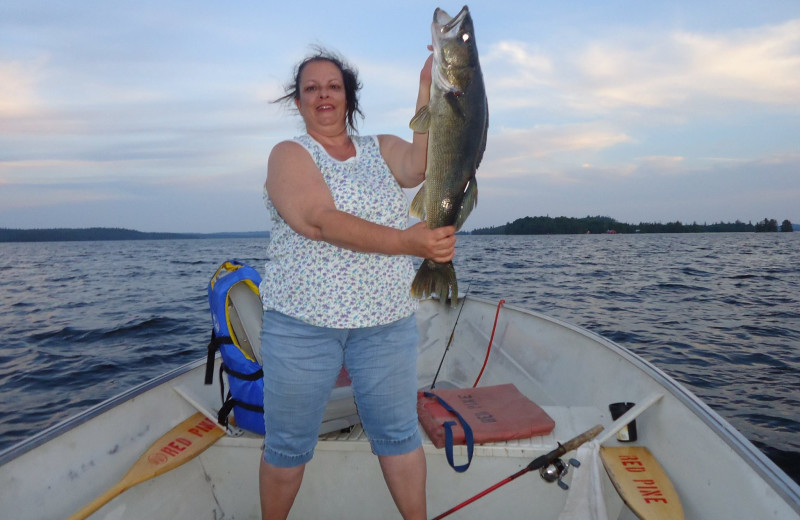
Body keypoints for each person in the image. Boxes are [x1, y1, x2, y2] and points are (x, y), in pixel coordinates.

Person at [258, 46, 456, 520]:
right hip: (303, 325)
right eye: (311, 88)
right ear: (299, 100)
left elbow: (421, 166)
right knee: (287, 446)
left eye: (333, 86)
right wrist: (409, 244)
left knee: (398, 435)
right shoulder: (289, 154)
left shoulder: (380, 148)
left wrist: (428, 85)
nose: (323, 95)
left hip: (386, 322)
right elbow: (319, 220)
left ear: (348, 96)